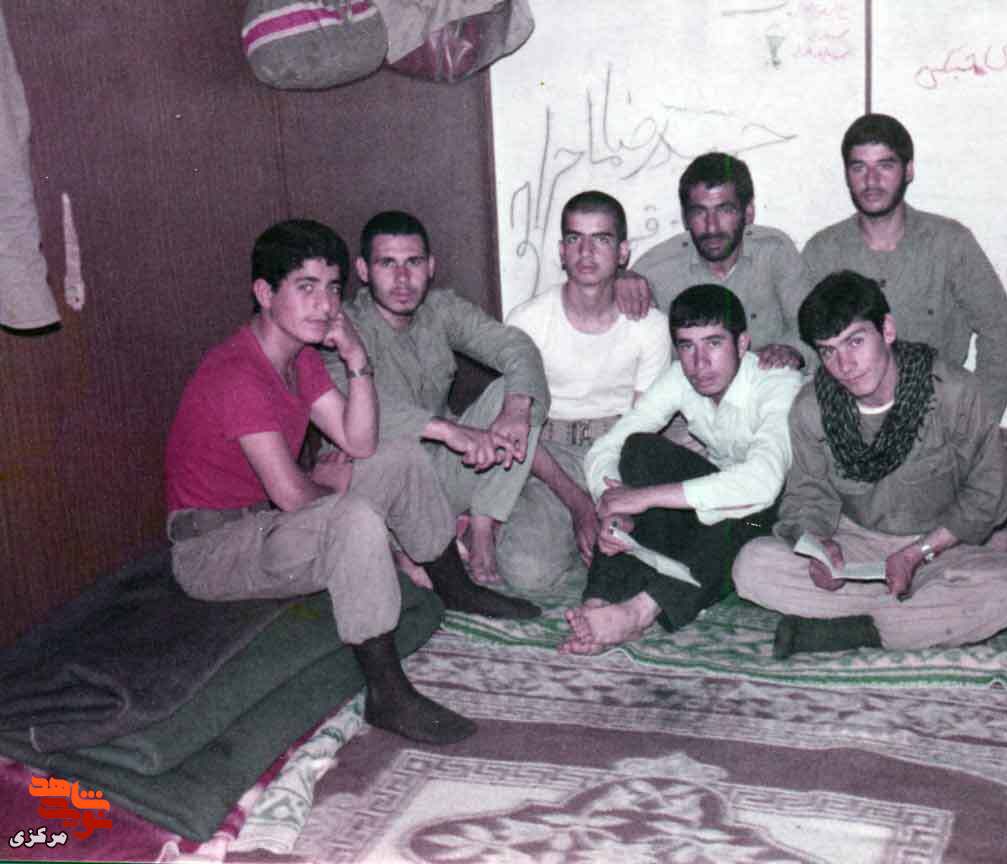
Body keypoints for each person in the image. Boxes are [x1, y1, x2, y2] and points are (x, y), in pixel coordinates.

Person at [165, 219, 474, 744]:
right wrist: (333, 487)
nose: (325, 305)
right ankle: (387, 692)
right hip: (211, 550)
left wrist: (357, 360)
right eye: (305, 287)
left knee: (399, 457)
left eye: (332, 288)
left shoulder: (300, 358)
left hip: (263, 525)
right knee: (352, 517)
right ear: (265, 294)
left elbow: (362, 444)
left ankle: (456, 586)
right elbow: (291, 495)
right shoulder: (237, 372)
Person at [732, 271, 1007, 657]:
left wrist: (915, 555)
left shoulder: (955, 392)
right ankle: (906, 618)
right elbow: (808, 495)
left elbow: (990, 495)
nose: (845, 364)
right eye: (828, 351)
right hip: (856, 543)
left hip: (942, 545)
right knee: (751, 566)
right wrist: (820, 547)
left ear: (887, 330)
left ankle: (853, 628)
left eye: (855, 341)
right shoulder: (811, 408)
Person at [324, 210, 547, 619]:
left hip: (443, 472)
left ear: (430, 266)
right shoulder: (342, 327)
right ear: (363, 270)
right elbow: (352, 407)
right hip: (381, 484)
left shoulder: (441, 309)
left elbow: (516, 347)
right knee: (387, 461)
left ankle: (483, 521)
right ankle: (407, 552)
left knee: (518, 391)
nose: (402, 278)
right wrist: (446, 430)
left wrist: (516, 409)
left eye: (412, 262)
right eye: (387, 263)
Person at [559, 284, 804, 654]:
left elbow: (764, 483)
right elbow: (607, 447)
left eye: (714, 343)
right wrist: (615, 505)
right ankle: (599, 601)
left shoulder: (778, 383)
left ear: (742, 344)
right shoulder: (680, 378)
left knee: (739, 514)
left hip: (772, 517)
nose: (699, 362)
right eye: (687, 346)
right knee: (640, 449)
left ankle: (640, 612)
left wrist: (643, 498)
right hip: (712, 504)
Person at [796, 113, 1007, 420]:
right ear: (847, 174)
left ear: (909, 170)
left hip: (936, 417)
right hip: (851, 420)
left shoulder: (950, 243)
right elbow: (807, 345)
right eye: (859, 167)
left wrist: (976, 423)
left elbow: (1001, 332)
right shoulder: (823, 250)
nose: (871, 181)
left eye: (885, 165)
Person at [501, 191, 672, 593]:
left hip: (620, 448)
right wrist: (580, 505)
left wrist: (616, 498)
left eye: (602, 239)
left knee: (655, 550)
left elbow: (642, 428)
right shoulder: (527, 321)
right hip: (548, 452)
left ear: (623, 252)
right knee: (526, 573)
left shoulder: (650, 327)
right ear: (561, 251)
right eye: (575, 238)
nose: (587, 252)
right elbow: (520, 428)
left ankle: (596, 559)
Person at [619, 151, 809, 372]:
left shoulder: (774, 251)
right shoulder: (656, 270)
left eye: (724, 210)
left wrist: (791, 351)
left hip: (770, 384)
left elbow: (812, 326)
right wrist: (618, 278)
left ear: (748, 212)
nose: (712, 227)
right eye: (699, 212)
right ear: (685, 217)